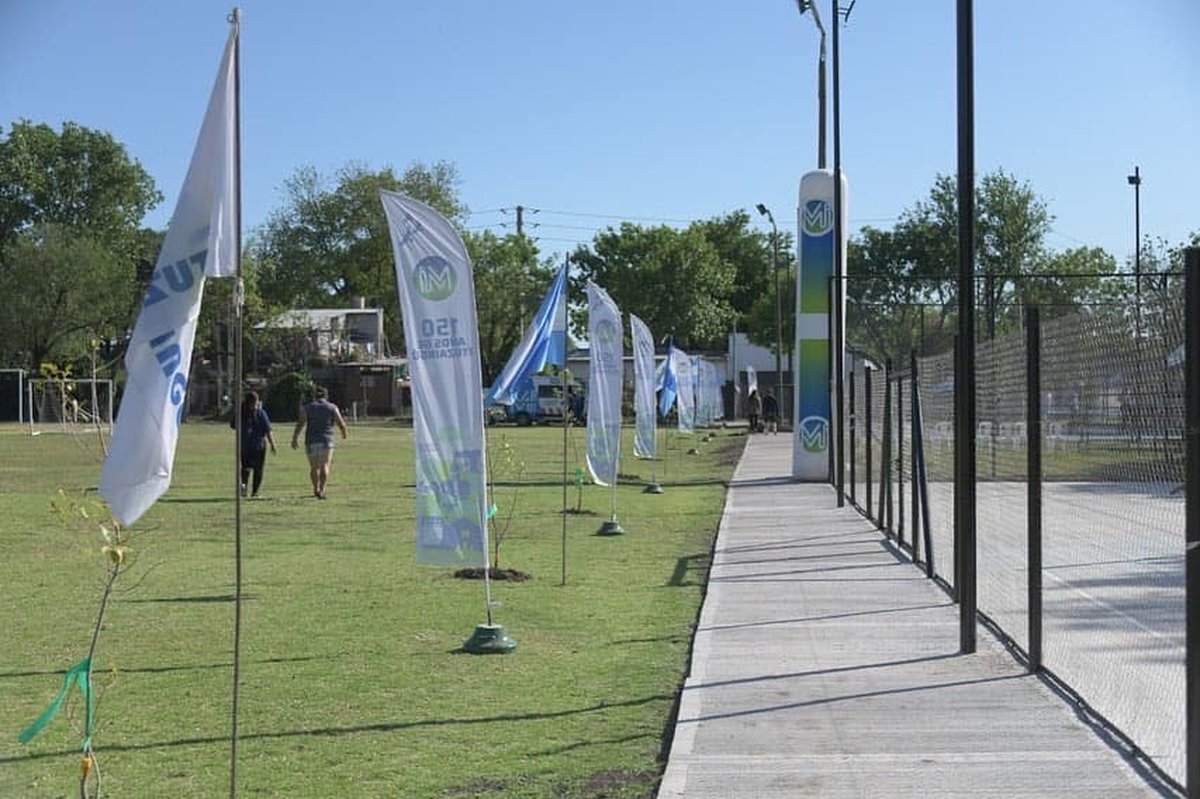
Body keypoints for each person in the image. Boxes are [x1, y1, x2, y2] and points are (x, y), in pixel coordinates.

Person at [291, 386, 348, 499]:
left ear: (315, 396)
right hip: (327, 440)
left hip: (311, 440)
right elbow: (341, 423)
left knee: (314, 467)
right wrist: (344, 434)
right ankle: (322, 489)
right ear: (326, 396)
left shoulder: (307, 407)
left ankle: (315, 488)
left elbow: (301, 423)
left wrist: (295, 438)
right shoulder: (332, 407)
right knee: (325, 466)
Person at [230, 390, 277, 498]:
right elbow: (268, 430)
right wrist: (272, 444)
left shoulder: (241, 412)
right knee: (256, 469)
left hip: (246, 445)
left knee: (248, 467)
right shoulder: (260, 413)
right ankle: (252, 491)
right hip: (257, 445)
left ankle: (246, 487)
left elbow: (233, 425)